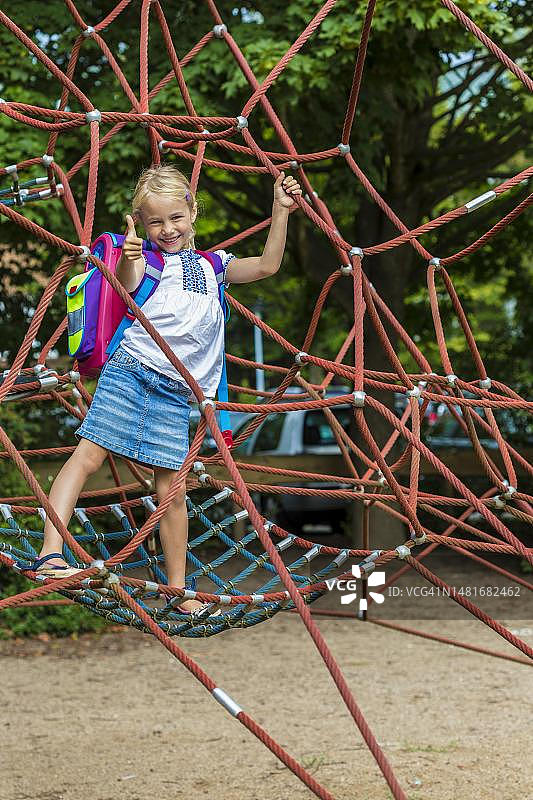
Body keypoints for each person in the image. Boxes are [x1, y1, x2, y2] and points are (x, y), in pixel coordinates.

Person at [30, 163, 302, 612]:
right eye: (155, 221)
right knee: (87, 458)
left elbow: (268, 266)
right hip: (133, 371)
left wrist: (281, 210)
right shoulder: (145, 261)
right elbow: (129, 285)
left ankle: (178, 591)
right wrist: (132, 258)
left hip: (177, 391)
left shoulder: (213, 266)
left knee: (171, 490)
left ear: (192, 212)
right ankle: (50, 555)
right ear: (142, 222)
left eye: (175, 217)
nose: (167, 229)